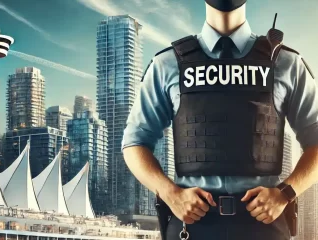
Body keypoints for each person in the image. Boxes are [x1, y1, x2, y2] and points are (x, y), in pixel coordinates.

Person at [121, 0, 318, 239]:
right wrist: (171, 194)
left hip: (264, 224)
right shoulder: (167, 64)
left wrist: (285, 193)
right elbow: (134, 143)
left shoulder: (286, 63)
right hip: (191, 225)